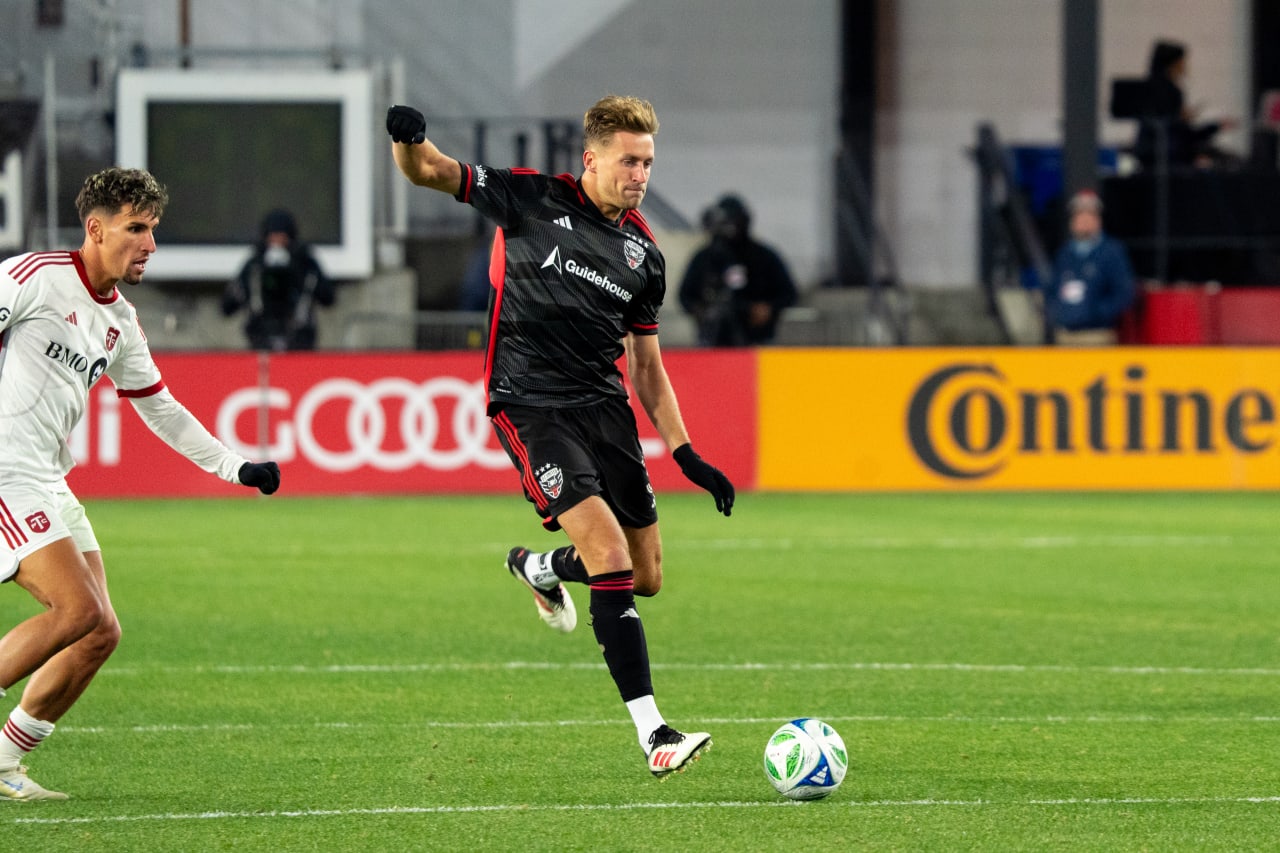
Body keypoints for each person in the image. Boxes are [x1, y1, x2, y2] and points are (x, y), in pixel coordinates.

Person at [388, 96, 735, 778]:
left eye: (648, 163)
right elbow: (428, 171)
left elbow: (646, 369)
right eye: (629, 161)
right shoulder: (530, 199)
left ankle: (541, 568)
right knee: (608, 554)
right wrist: (408, 140)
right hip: (531, 403)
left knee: (646, 575)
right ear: (593, 159)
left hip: (604, 410)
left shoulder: (645, 253)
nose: (640, 174)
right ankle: (654, 733)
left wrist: (687, 453)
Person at [0, 167, 282, 800]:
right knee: (76, 608)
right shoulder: (34, 276)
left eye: (153, 229)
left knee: (100, 630)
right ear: (95, 230)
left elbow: (160, 408)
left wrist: (235, 466)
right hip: (4, 469)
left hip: (47, 476)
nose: (149, 243)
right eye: (136, 228)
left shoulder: (120, 320)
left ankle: (5, 761)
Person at [678, 194, 798, 346]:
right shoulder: (705, 258)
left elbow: (789, 292)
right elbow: (685, 296)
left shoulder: (764, 256)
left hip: (757, 338)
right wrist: (702, 311)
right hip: (713, 339)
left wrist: (769, 308)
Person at [221, 208, 335, 351]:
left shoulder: (306, 263)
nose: (277, 243)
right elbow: (227, 307)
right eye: (272, 238)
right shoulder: (254, 266)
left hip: (299, 339)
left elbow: (328, 299)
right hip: (261, 338)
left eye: (281, 238)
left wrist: (297, 273)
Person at [1044, 189, 1137, 345]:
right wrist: (1058, 312)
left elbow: (1125, 293)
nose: (1084, 220)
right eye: (1080, 215)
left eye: (1089, 215)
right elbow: (1052, 289)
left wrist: (1097, 313)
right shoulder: (1065, 253)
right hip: (1065, 334)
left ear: (1098, 220)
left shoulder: (1110, 252)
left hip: (1097, 335)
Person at [1133, 40, 1238, 170]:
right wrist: (1214, 127)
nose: (1186, 66)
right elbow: (1179, 134)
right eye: (1183, 62)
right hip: (1168, 159)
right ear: (1174, 64)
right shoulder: (1170, 91)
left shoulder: (1152, 87)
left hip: (1152, 155)